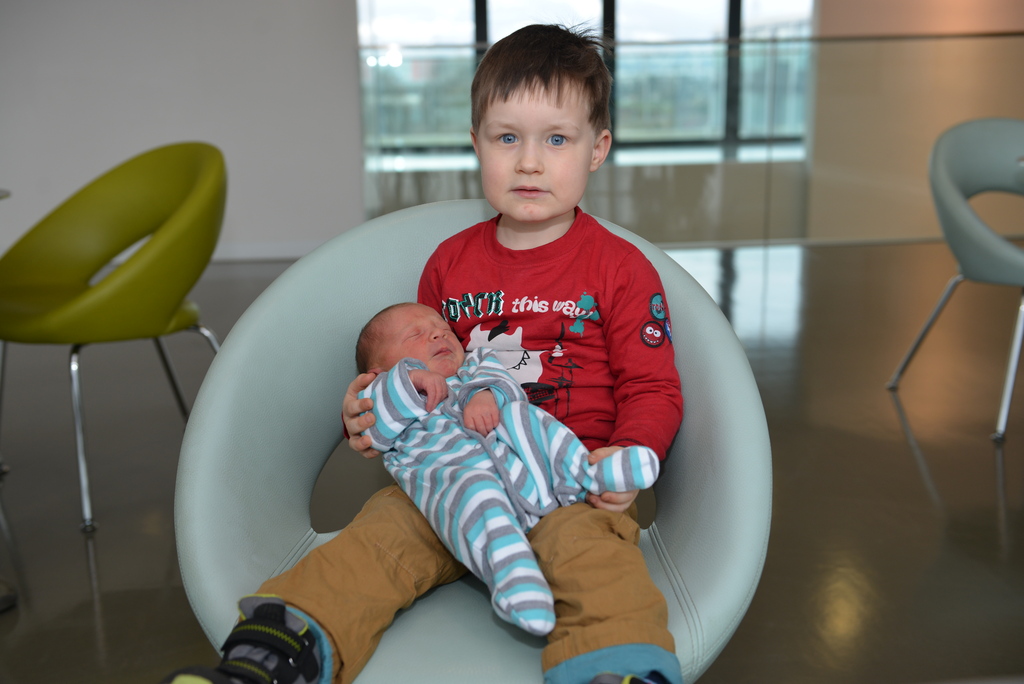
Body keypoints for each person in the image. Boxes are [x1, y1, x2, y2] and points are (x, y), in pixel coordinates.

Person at [164, 23, 683, 684]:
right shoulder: (450, 263)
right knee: (377, 538)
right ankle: (270, 657)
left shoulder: (621, 268)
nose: (529, 162)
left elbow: (653, 388)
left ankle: (619, 670)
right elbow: (419, 374)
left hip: (570, 483)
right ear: (477, 143)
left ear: (597, 148)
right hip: (455, 484)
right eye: (507, 138)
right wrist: (369, 413)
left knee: (597, 564)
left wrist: (627, 454)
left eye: (556, 139)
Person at [355, 302, 660, 637]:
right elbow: (372, 429)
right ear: (379, 373)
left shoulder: (475, 363)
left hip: (533, 476)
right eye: (416, 334)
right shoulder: (381, 394)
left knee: (523, 414)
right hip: (460, 481)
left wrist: (485, 393)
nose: (438, 334)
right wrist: (409, 380)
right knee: (476, 491)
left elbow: (505, 382)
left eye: (442, 328)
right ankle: (514, 579)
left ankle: (588, 475)